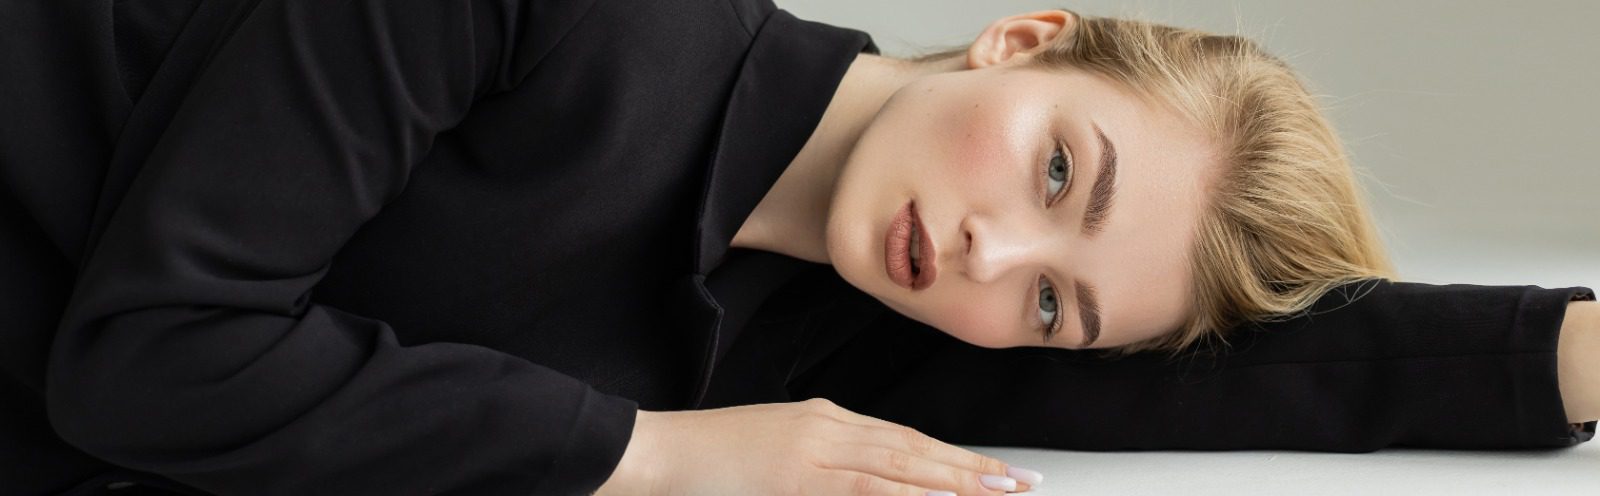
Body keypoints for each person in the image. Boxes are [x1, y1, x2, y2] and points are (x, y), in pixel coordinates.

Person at [0, 0, 1593, 494]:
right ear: (1021, 35)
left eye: (1051, 305)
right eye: (1058, 168)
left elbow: (1256, 374)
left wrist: (1572, 353)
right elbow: (145, 363)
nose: (984, 252)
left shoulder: (822, 325)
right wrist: (661, 458)